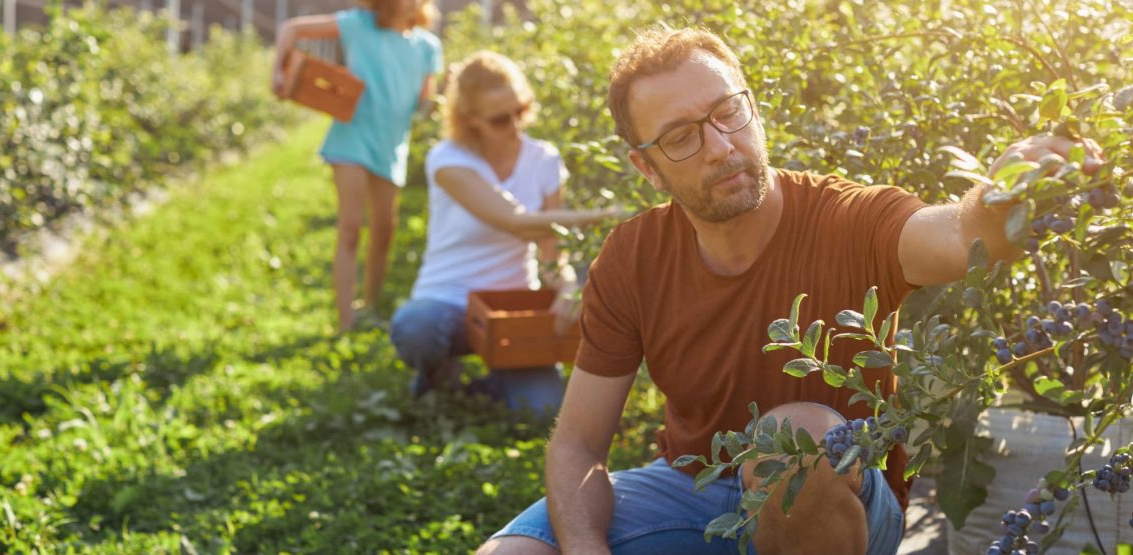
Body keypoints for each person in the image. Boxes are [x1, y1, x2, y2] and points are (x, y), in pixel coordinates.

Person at [477, 26, 1104, 555]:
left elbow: (964, 235)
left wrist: (1006, 191)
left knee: (795, 439)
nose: (720, 146)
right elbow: (579, 443)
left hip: (838, 506)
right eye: (680, 137)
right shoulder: (632, 255)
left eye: (728, 111)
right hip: (693, 491)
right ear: (646, 165)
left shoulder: (847, 218)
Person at [390, 51, 620, 418]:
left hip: (512, 304)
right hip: (446, 300)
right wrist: (605, 217)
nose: (515, 124)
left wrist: (565, 284)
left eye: (521, 109)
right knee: (417, 327)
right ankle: (440, 371)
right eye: (500, 118)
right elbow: (517, 221)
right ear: (470, 120)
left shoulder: (543, 159)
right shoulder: (448, 159)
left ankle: (470, 391)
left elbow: (550, 249)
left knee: (541, 409)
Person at [272, 0, 443, 333]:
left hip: (392, 146)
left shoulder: (427, 46)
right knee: (350, 228)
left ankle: (370, 305)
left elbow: (426, 102)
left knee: (384, 230)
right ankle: (345, 320)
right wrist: (279, 70)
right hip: (351, 139)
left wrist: (438, 104)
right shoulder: (358, 25)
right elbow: (291, 29)